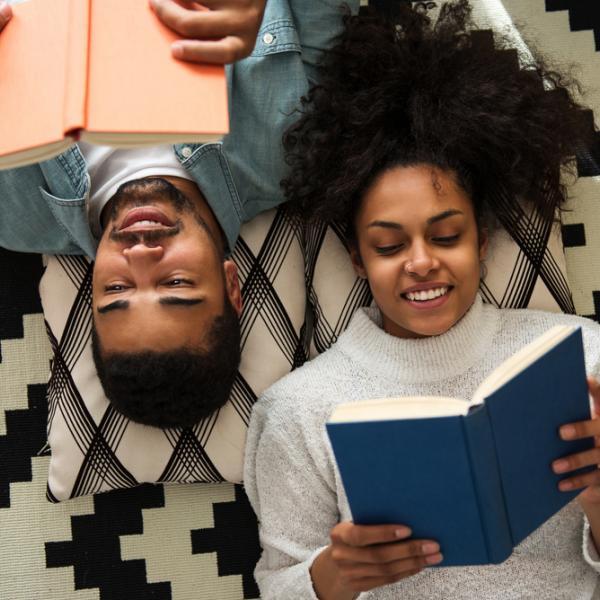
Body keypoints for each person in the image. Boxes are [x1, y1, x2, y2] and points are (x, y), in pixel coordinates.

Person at [243, 2, 600, 598]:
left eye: (445, 236)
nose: (421, 262)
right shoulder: (298, 413)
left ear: (482, 243)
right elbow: (278, 586)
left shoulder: (579, 360)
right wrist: (332, 575)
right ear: (357, 259)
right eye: (388, 245)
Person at [0, 0, 359, 428]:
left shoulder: (11, 213)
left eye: (117, 288)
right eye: (175, 282)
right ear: (230, 283)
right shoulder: (299, 143)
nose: (141, 253)